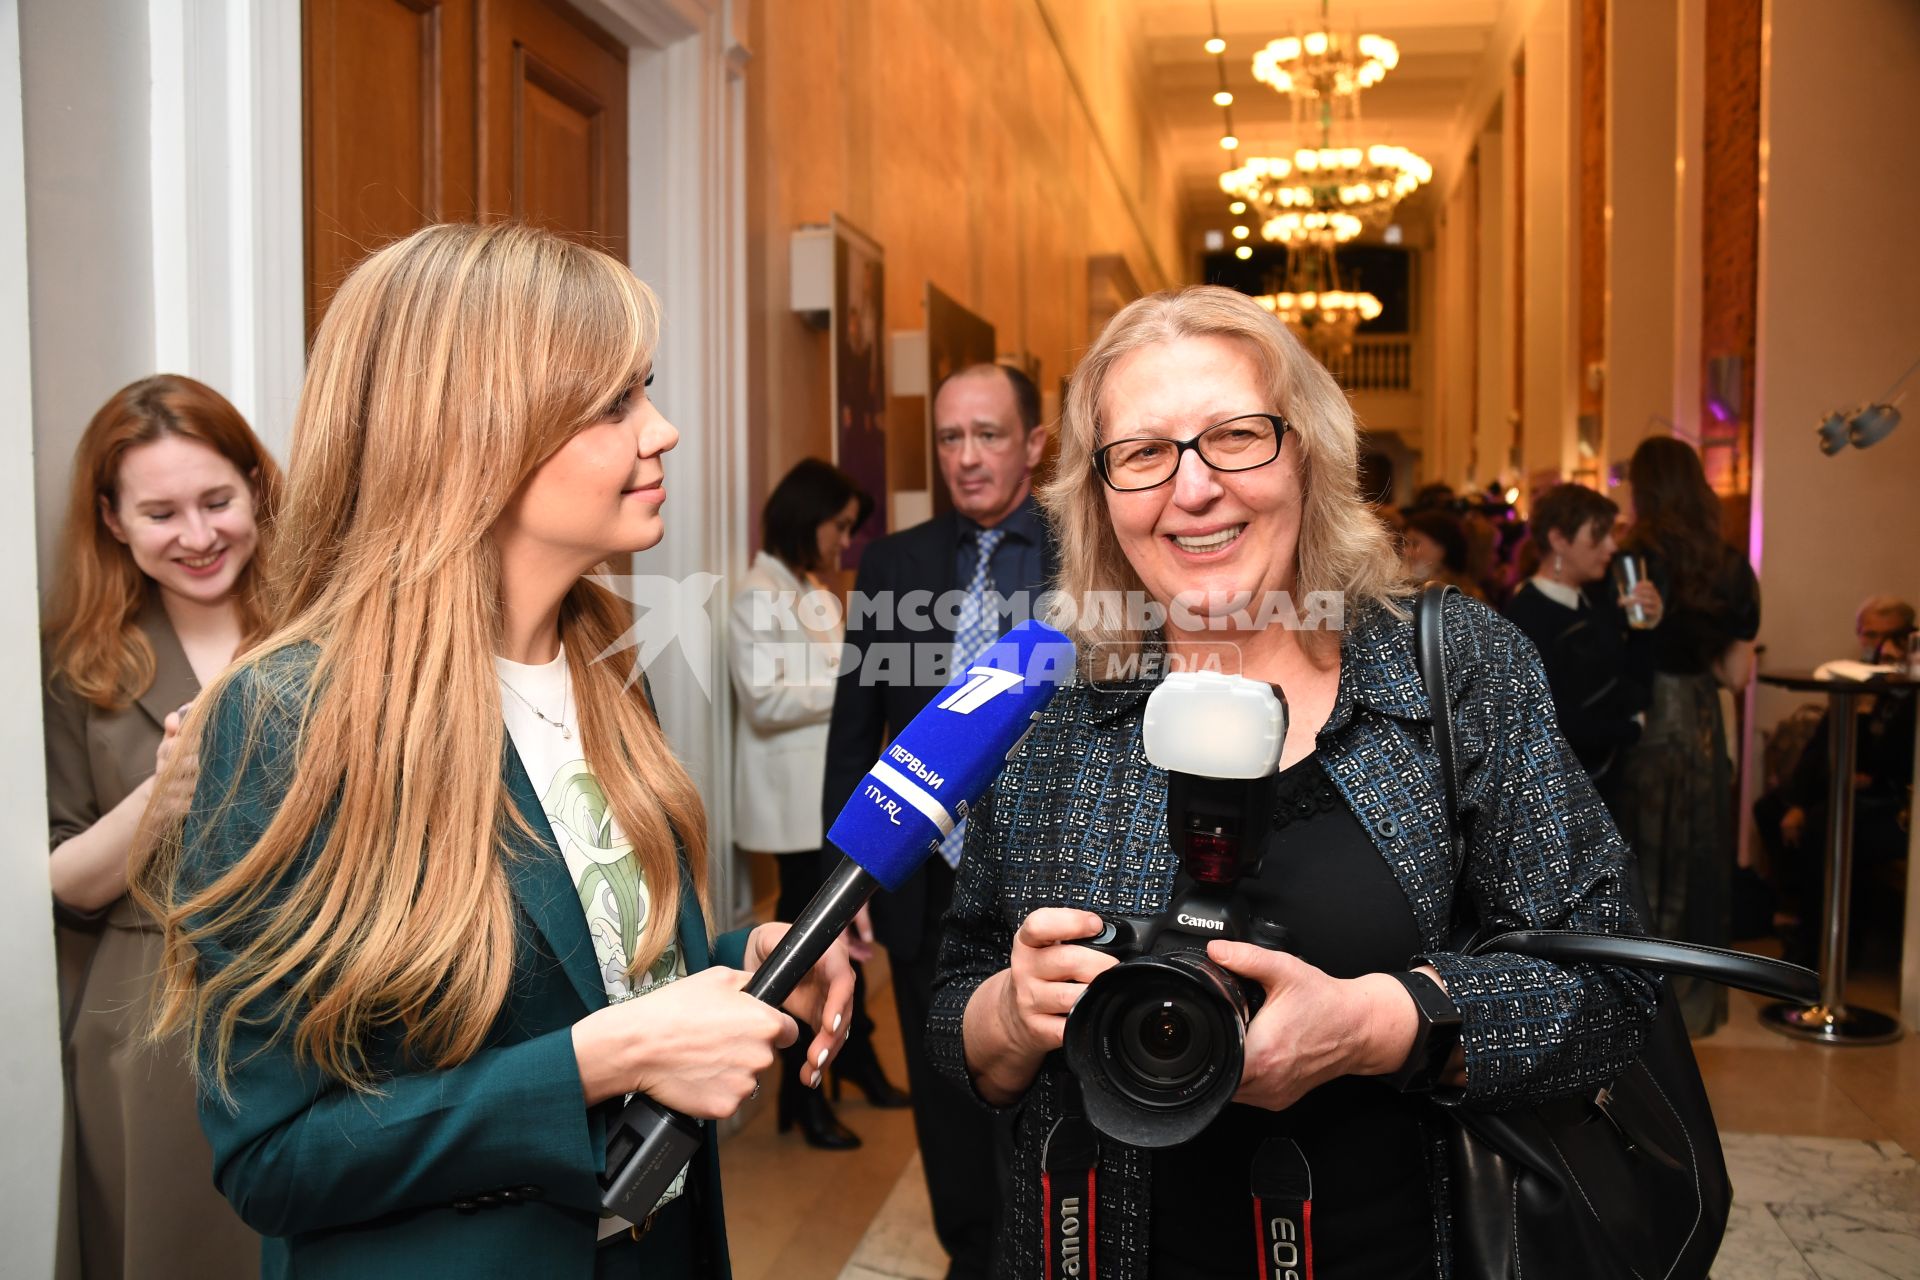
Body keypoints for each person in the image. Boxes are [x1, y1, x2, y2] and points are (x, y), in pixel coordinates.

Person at [130, 223, 853, 1278]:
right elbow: (277, 1157)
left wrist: (731, 964)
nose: (665, 430)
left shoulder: (608, 655)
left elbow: (581, 973)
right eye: (614, 403)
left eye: (643, 390)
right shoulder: (292, 715)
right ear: (472, 432)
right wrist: (609, 1058)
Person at [927, 287, 1657, 1279]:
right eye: (1143, 452)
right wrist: (1007, 1015)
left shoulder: (1456, 673)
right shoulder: (1046, 705)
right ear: (1097, 494)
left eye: (1236, 435)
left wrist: (1381, 1023)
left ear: (1308, 452)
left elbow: (1615, 988)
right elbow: (955, 996)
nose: (1193, 489)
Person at [821, 361, 1055, 1278]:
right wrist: (847, 880)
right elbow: (855, 729)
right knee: (947, 1086)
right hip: (925, 877)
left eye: (989, 435)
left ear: (1034, 443)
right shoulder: (895, 563)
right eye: (951, 439)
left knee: (1048, 1077)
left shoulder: (1095, 554)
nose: (968, 458)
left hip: (1050, 874)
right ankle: (972, 1252)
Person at [43, 374, 276, 1280]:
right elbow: (64, 881)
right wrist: (164, 794)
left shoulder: (326, 625)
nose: (197, 536)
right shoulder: (76, 665)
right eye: (160, 513)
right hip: (147, 1014)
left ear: (257, 485)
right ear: (111, 519)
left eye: (218, 500)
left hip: (321, 981)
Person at [727, 458, 906, 1152]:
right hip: (790, 811)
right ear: (808, 521)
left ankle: (853, 1058)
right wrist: (854, 684)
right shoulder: (754, 595)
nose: (844, 543)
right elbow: (766, 700)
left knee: (843, 943)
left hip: (831, 805)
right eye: (839, 527)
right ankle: (804, 1099)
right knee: (807, 953)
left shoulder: (814, 592)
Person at [1612, 436, 1761, 1035]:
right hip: (1704, 719)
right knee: (1700, 856)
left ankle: (1632, 1002)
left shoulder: (1637, 555)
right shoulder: (1731, 563)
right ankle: (1694, 1005)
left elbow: (1622, 644)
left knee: (1639, 854)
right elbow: (1736, 674)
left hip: (1650, 712)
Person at [1754, 596, 1915, 964]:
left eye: (1877, 636)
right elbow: (1820, 749)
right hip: (1841, 786)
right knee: (1769, 809)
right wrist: (1796, 801)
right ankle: (1799, 910)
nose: (1869, 645)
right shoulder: (1857, 682)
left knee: (1823, 824)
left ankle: (1822, 945)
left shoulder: (1908, 689)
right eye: (1864, 635)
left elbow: (1894, 759)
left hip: (1890, 803)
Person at [1503, 482, 1663, 798]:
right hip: (1560, 796)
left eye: (1611, 534)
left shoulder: (1595, 602)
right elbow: (1551, 722)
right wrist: (1631, 728)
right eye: (1598, 534)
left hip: (1605, 783)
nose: (1611, 547)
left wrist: (1645, 626)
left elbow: (1634, 690)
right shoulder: (1527, 616)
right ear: (1559, 540)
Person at [1399, 508, 1485, 600]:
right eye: (1406, 544)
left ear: (1442, 549)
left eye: (1415, 544)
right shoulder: (1404, 593)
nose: (1405, 551)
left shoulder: (1463, 597)